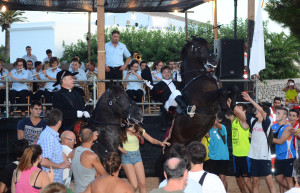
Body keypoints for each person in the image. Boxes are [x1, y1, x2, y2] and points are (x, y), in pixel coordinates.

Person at [235, 92, 276, 193]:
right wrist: (231, 103)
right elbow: (240, 113)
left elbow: (261, 110)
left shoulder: (266, 123)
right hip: (254, 157)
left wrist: (250, 99)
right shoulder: (253, 121)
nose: (256, 112)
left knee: (270, 182)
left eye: (257, 111)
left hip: (264, 157)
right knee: (255, 182)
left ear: (264, 114)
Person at [120, 124, 170, 193]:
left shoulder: (139, 129)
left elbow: (151, 139)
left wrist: (160, 143)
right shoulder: (121, 130)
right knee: (134, 186)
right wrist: (122, 150)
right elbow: (112, 141)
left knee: (142, 184)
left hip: (137, 157)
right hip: (126, 158)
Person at [37, 109, 71, 183]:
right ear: (59, 122)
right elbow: (43, 161)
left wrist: (67, 162)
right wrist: (60, 166)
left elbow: (59, 151)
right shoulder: (48, 137)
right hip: (49, 182)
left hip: (55, 180)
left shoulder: (53, 135)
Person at [226, 103, 252, 193]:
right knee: (238, 179)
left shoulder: (244, 121)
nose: (236, 110)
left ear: (244, 111)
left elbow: (239, 114)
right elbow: (227, 114)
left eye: (239, 109)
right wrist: (228, 102)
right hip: (235, 155)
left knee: (246, 179)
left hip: (245, 154)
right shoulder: (233, 119)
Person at [71, 128, 106, 193]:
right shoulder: (92, 156)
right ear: (93, 138)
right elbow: (104, 176)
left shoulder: (74, 151)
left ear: (80, 139)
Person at [272, 107, 296, 190]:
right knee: (278, 179)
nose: (276, 114)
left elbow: (280, 141)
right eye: (276, 113)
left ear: (285, 115)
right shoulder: (274, 126)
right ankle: (294, 191)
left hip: (288, 157)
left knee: (289, 179)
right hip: (278, 157)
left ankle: (293, 191)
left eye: (279, 113)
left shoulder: (288, 127)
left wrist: (266, 138)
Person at [205, 119, 229, 191]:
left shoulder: (222, 128)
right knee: (214, 178)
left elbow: (215, 122)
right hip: (213, 158)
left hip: (223, 157)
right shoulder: (210, 130)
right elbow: (203, 133)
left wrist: (212, 115)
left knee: (222, 177)